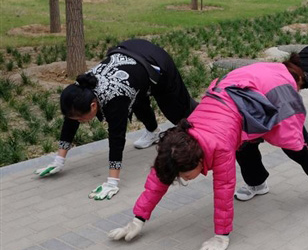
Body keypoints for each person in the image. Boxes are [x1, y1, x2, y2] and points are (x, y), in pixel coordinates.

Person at [107, 60, 308, 250]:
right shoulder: (176, 143)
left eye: (184, 175)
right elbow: (160, 177)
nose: (183, 179)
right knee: (244, 144)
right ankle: (257, 183)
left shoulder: (218, 148)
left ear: (199, 161)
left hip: (269, 88)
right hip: (237, 96)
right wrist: (138, 219)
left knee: (294, 143)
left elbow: (223, 189)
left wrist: (221, 236)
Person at [34, 39, 198, 200]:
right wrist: (59, 160)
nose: (80, 122)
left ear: (93, 106)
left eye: (82, 119)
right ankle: (153, 133)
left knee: (179, 113)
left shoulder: (115, 98)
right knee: (137, 98)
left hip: (156, 62)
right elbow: (71, 120)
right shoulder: (80, 89)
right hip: (133, 61)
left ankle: (205, 129)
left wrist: (112, 181)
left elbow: (117, 138)